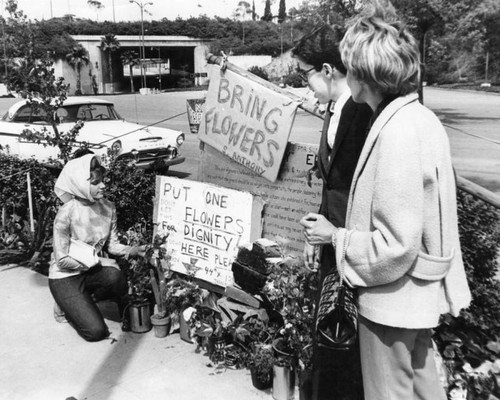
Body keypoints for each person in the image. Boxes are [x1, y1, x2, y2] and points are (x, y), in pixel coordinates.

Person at [300, 3, 471, 399]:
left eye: (350, 66)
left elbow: (395, 244)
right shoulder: (419, 119)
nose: (345, 73)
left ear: (363, 74)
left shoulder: (395, 132)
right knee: (424, 389)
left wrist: (335, 238)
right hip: (416, 300)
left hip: (391, 303)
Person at [292, 25, 372, 400]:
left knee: (346, 347)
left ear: (326, 70)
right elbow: (332, 184)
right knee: (329, 339)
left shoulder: (361, 112)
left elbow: (363, 191)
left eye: (304, 73)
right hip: (332, 243)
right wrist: (316, 234)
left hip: (353, 251)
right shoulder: (335, 109)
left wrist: (333, 237)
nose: (304, 83)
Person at [49, 154, 145, 342]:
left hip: (89, 271)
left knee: (115, 276)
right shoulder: (66, 213)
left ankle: (93, 300)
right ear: (80, 185)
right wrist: (98, 261)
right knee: (96, 332)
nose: (103, 185)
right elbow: (61, 260)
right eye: (96, 182)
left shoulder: (108, 207)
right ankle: (65, 304)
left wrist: (132, 250)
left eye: (103, 181)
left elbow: (113, 245)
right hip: (65, 275)